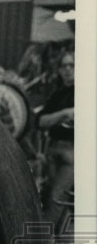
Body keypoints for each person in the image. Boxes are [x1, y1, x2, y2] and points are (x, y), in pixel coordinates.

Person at [37, 46, 75, 222]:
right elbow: (40, 121)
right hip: (53, 149)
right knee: (53, 196)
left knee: (56, 197)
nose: (68, 69)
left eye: (72, 65)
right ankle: (62, 242)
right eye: (64, 66)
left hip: (72, 152)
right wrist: (64, 113)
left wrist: (54, 118)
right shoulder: (57, 94)